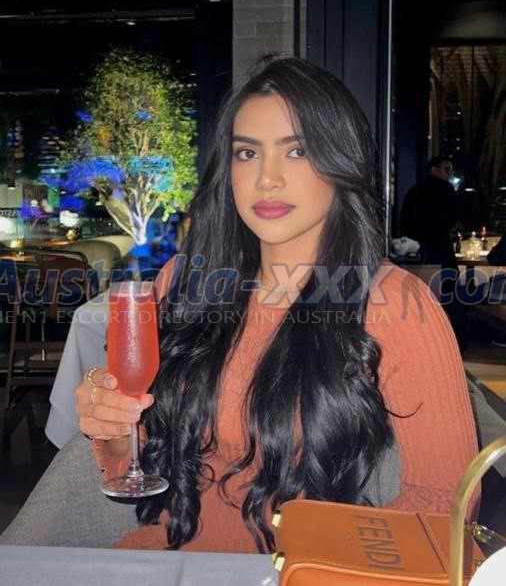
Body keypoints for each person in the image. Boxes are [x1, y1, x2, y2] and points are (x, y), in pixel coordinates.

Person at [74, 57, 478, 553]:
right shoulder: (184, 279)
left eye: (297, 151)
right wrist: (112, 427)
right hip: (164, 559)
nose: (267, 178)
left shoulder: (392, 303)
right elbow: (141, 465)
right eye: (247, 153)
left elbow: (443, 504)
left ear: (341, 163)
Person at [400, 156, 459, 268]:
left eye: (451, 170)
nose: (450, 173)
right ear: (434, 169)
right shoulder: (447, 189)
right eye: (447, 169)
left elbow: (405, 220)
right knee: (447, 276)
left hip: (418, 247)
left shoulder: (415, 190)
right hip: (441, 244)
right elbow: (454, 216)